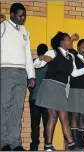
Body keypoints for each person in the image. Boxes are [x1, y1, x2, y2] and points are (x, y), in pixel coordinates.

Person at [34, 32, 84, 151]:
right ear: (62, 42)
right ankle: (49, 146)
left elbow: (74, 73)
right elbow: (36, 64)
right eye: (68, 40)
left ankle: (71, 145)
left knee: (64, 117)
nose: (71, 42)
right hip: (50, 86)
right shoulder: (53, 52)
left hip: (61, 88)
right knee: (53, 116)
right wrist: (41, 58)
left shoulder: (70, 56)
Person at [1, 3, 35, 151]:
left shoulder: (25, 31)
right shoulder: (2, 26)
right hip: (5, 71)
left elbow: (28, 54)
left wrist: (31, 75)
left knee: (17, 108)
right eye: (20, 16)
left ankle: (15, 143)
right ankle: (3, 142)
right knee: (4, 107)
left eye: (24, 16)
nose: (23, 18)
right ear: (12, 15)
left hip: (22, 73)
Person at [28, 44, 49, 151]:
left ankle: (34, 146)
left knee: (35, 124)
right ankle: (47, 145)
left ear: (37, 51)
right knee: (47, 124)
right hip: (46, 99)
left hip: (34, 98)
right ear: (46, 52)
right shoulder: (49, 64)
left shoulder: (32, 62)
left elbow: (29, 81)